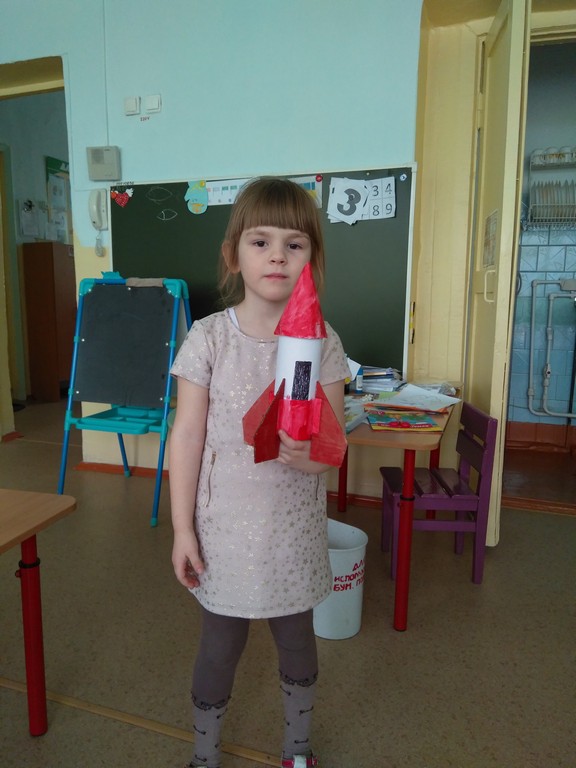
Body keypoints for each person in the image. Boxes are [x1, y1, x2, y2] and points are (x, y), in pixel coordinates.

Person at [169, 176, 349, 768]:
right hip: (223, 531)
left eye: (294, 244)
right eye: (261, 242)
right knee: (219, 645)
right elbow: (187, 437)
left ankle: (297, 748)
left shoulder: (320, 341)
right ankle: (204, 754)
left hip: (292, 529)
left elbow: (332, 440)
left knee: (296, 639)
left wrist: (311, 453)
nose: (277, 256)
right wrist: (182, 529)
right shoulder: (208, 338)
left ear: (311, 259)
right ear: (234, 255)